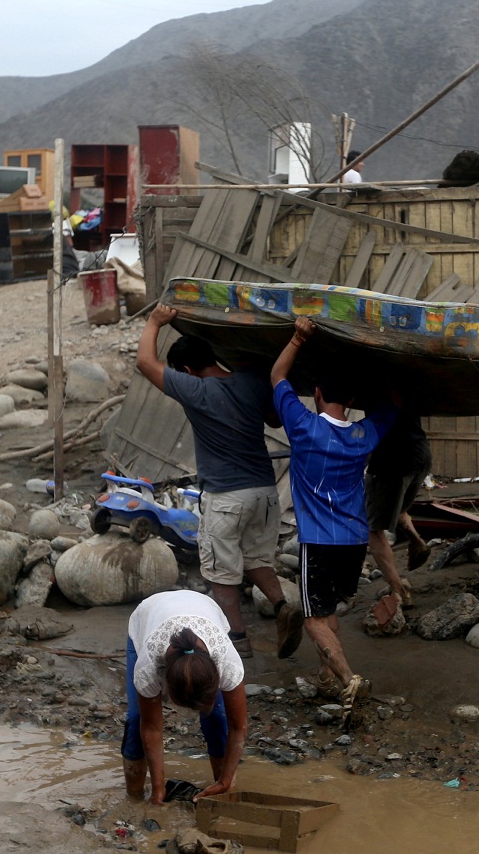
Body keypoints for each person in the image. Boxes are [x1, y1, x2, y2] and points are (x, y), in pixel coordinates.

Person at [136, 305, 303, 660]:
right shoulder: (253, 380)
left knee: (221, 575)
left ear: (187, 370)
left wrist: (154, 322)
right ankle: (281, 605)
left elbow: (145, 364)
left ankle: (238, 642)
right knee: (258, 559)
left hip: (226, 498)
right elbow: (274, 419)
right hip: (264, 493)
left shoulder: (196, 390)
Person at [271, 317, 396, 702]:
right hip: (355, 540)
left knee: (312, 619)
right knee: (328, 611)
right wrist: (385, 363)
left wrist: (298, 337)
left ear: (318, 393)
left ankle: (348, 679)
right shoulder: (363, 435)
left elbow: (277, 375)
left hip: (318, 541)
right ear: (354, 401)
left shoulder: (303, 426)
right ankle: (326, 676)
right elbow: (394, 405)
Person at [122, 589, 248, 806]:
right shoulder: (149, 666)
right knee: (135, 720)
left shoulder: (226, 660)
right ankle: (133, 796)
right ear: (166, 683)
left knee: (217, 717)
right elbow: (152, 728)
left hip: (205, 610)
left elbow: (238, 727)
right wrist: (158, 790)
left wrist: (225, 781)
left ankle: (220, 794)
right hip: (148, 617)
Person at [365, 405, 432, 608]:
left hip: (391, 460)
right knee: (400, 507)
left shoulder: (375, 385)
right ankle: (417, 541)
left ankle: (399, 592)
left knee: (373, 530)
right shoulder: (408, 380)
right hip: (421, 454)